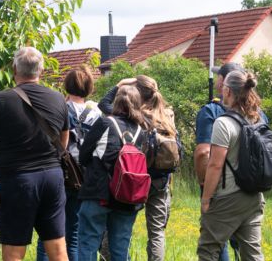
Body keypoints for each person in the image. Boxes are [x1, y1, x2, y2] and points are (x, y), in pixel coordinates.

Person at [0, 47, 70, 261]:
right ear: (42, 70)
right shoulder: (58, 99)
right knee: (58, 250)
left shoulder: (1, 100)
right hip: (52, 178)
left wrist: (4, 147)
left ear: (14, 69)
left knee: (14, 252)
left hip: (17, 180)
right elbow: (63, 143)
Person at [98, 76, 177, 261]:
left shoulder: (136, 116)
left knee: (121, 227)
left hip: (136, 179)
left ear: (138, 93)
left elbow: (103, 104)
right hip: (161, 181)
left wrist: (120, 84)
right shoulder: (168, 115)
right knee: (157, 232)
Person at [197, 71, 267, 261]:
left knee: (208, 250)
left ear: (227, 91)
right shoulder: (258, 119)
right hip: (254, 197)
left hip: (228, 196)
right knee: (252, 254)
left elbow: (215, 165)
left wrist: (206, 199)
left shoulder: (223, 123)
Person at [36, 66, 102, 261]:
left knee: (48, 233)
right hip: (83, 176)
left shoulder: (59, 108)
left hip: (59, 172)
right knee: (73, 234)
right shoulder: (97, 114)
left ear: (67, 85)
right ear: (89, 88)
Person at [77, 85, 146, 261]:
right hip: (128, 197)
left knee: (88, 243)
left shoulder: (105, 123)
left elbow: (83, 156)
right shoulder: (141, 131)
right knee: (120, 248)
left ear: (117, 102)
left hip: (99, 193)